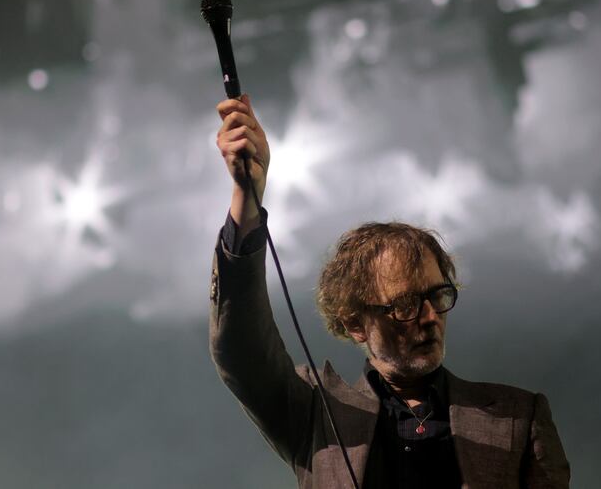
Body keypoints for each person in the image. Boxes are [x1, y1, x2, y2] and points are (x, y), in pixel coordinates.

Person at [209, 94, 570, 488]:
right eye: (405, 305)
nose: (430, 316)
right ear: (355, 324)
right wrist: (247, 196)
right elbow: (240, 348)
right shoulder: (315, 416)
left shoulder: (518, 416)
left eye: (437, 296)